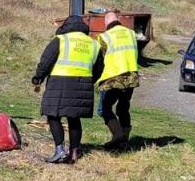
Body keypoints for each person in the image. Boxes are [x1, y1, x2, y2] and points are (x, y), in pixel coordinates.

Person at [32, 15, 104, 163]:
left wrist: (38, 77)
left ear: (65, 27)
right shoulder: (94, 44)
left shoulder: (61, 40)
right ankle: (74, 153)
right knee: (74, 118)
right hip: (83, 83)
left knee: (53, 115)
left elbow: (46, 60)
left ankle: (60, 151)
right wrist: (89, 80)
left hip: (60, 82)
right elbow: (99, 68)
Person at [97, 12, 139, 150]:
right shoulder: (131, 33)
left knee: (104, 108)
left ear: (106, 23)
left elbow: (100, 59)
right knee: (123, 108)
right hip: (131, 76)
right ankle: (124, 142)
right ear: (118, 20)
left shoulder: (104, 37)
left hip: (112, 78)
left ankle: (118, 135)